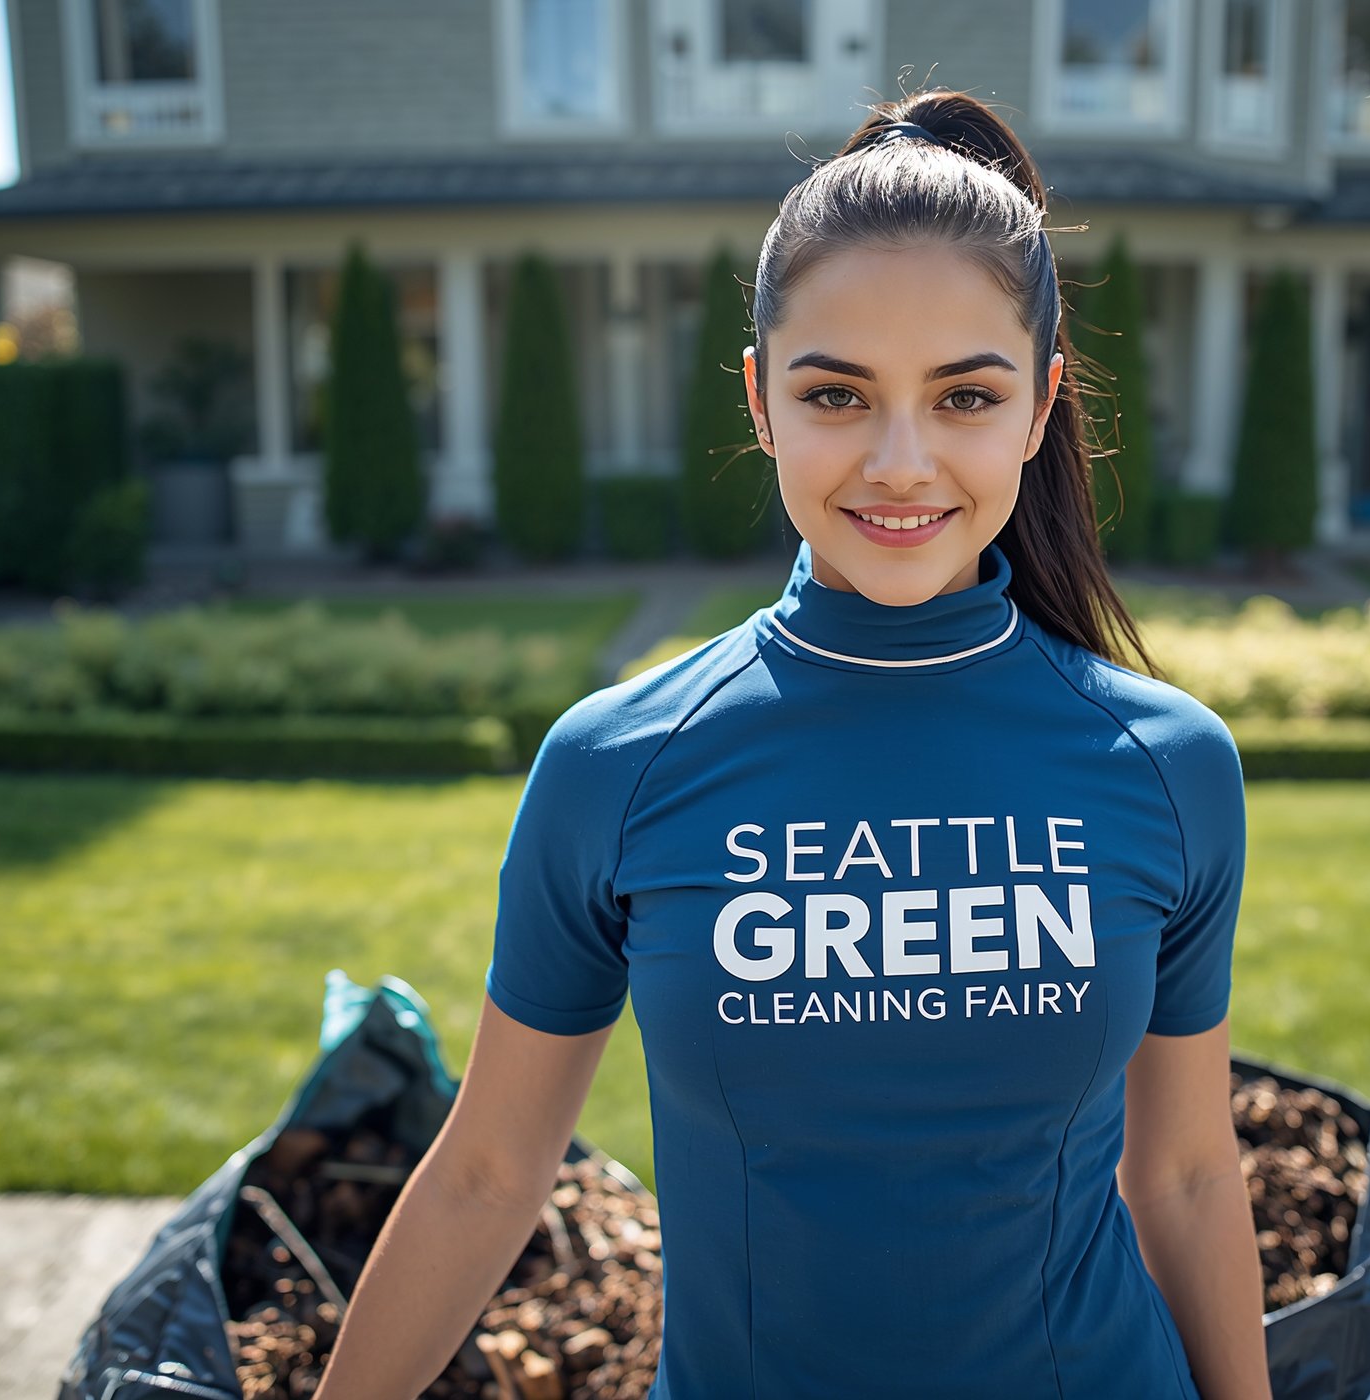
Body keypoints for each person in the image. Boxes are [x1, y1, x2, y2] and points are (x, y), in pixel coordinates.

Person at [311, 88, 1267, 1400]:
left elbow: (1187, 1174)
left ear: (1040, 411)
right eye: (838, 394)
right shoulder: (617, 767)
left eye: (964, 397)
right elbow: (487, 1174)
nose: (899, 460)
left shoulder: (1168, 766)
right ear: (762, 401)